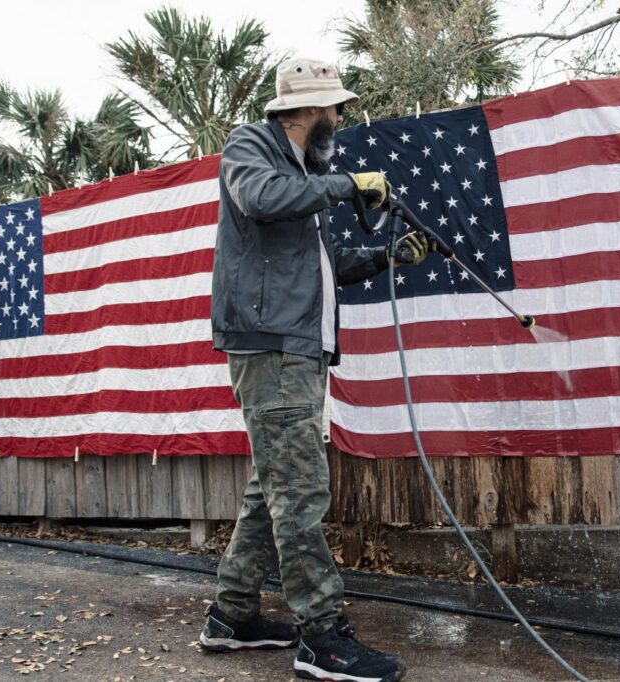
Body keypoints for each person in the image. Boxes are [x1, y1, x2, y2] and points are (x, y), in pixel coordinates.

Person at [200, 56, 428, 682]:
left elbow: (323, 264)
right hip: (273, 347)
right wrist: (350, 184)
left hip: (297, 347)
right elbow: (260, 198)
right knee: (299, 490)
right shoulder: (252, 147)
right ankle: (321, 638)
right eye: (334, 108)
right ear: (307, 110)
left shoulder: (306, 175)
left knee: (270, 488)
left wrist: (387, 255)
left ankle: (232, 616)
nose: (339, 118)